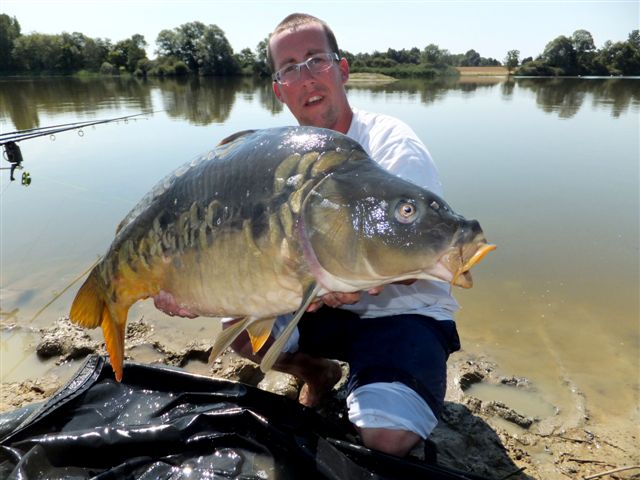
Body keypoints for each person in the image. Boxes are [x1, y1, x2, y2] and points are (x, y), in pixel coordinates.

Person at [228, 13, 462, 458]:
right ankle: (319, 373)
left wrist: (339, 277)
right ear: (279, 90)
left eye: (317, 60)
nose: (307, 77)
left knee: (386, 441)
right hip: (320, 301)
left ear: (342, 70)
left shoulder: (392, 142)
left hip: (401, 311)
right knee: (239, 325)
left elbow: (421, 251)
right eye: (290, 68)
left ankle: (390, 383)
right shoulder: (281, 159)